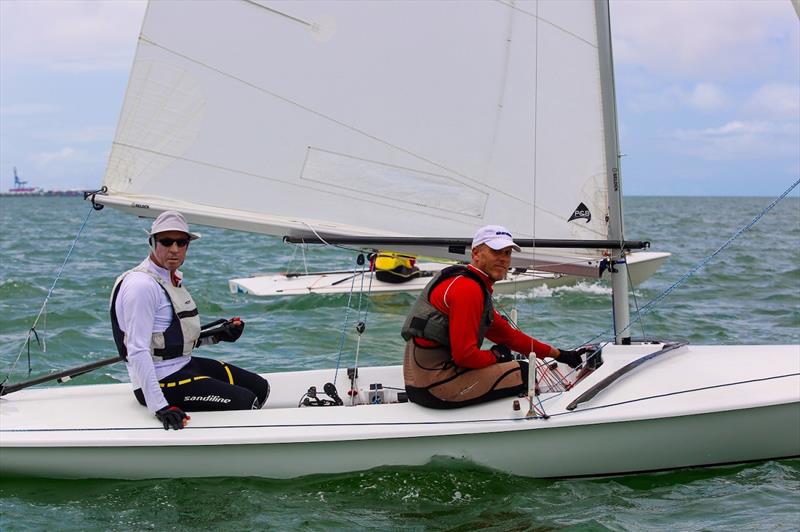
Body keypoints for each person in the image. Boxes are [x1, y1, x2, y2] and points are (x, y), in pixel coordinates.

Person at [110, 211, 270, 430]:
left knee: (260, 388)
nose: (174, 249)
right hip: (160, 382)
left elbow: (173, 340)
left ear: (187, 245)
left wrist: (218, 336)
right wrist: (160, 407)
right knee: (246, 401)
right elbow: (137, 349)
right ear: (152, 243)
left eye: (181, 242)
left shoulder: (169, 278)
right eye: (166, 242)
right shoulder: (142, 286)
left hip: (184, 365)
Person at [401, 224, 590, 409]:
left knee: (513, 361)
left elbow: (509, 336)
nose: (503, 259)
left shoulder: (465, 282)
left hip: (421, 382)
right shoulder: (468, 289)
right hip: (436, 388)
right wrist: (495, 356)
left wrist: (561, 354)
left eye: (507, 253)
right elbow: (464, 357)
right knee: (524, 372)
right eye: (496, 252)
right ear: (476, 253)